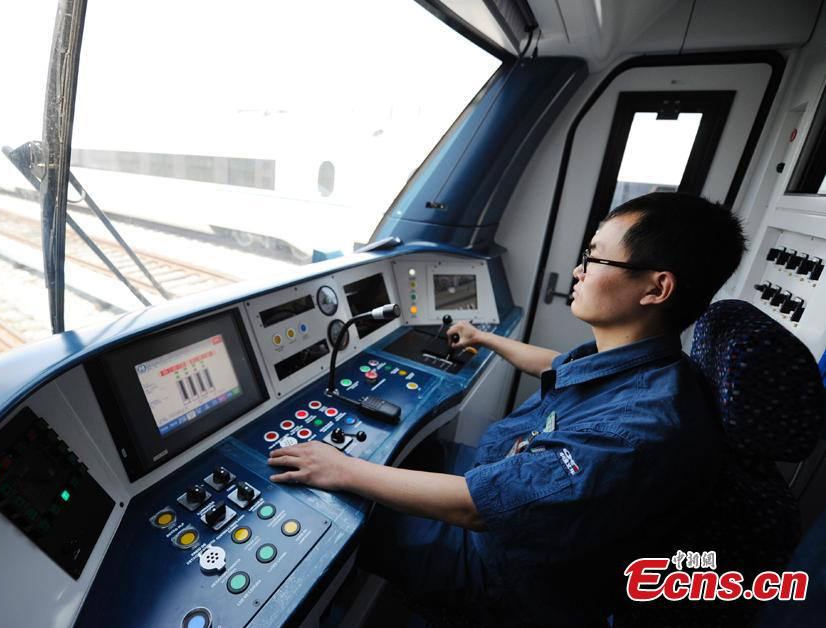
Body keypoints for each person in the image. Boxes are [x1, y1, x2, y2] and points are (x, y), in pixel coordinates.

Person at [268, 192, 747, 626]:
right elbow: (560, 367)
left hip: (501, 567)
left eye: (596, 257)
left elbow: (476, 510)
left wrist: (341, 468)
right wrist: (485, 337)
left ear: (656, 288)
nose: (579, 271)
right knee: (409, 459)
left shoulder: (637, 433)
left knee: (341, 515)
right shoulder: (649, 366)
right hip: (504, 475)